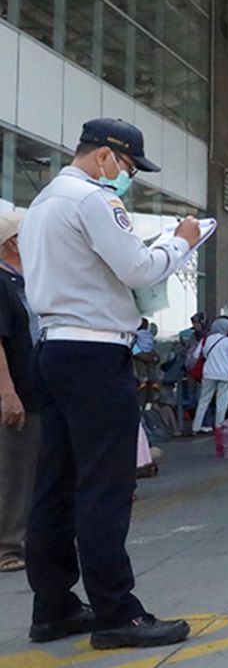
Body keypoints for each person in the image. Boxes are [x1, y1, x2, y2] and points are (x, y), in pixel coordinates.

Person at [22, 117, 199, 649]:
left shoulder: (43, 206)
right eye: (126, 166)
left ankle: (53, 607)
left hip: (53, 348)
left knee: (54, 484)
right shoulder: (94, 200)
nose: (127, 177)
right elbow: (140, 269)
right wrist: (182, 243)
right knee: (104, 485)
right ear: (103, 157)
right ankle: (117, 612)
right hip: (97, 353)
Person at [0, 211, 38, 574]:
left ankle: (27, 538)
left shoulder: (26, 280)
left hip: (37, 390)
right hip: (17, 390)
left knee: (33, 467)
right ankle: (6, 546)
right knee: (14, 468)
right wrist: (7, 392)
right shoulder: (2, 282)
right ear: (12, 242)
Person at [191, 317, 228, 434]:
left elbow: (196, 355)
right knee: (222, 402)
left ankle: (195, 427)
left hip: (208, 374)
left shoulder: (205, 340)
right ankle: (219, 426)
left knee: (203, 401)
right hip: (225, 375)